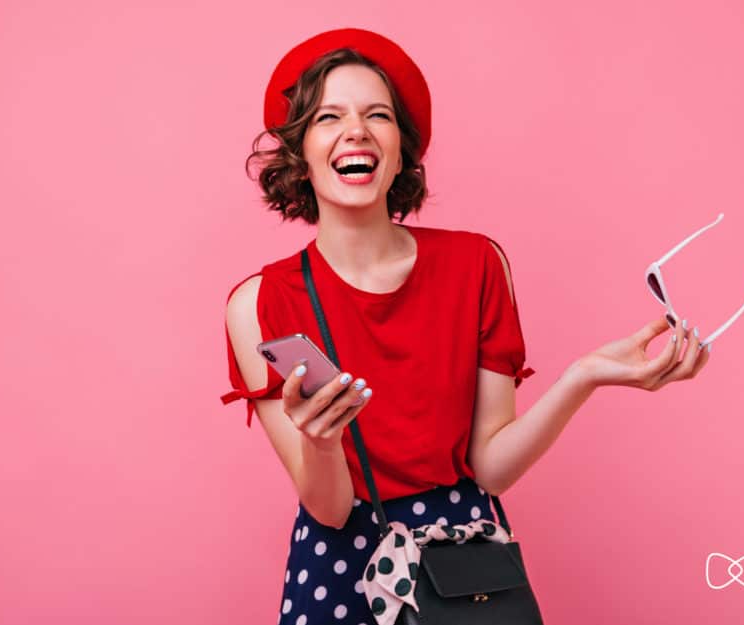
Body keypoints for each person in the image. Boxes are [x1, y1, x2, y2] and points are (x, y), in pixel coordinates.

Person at [220, 28, 711, 625]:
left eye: (378, 115)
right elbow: (328, 509)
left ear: (401, 150)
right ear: (299, 153)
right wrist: (322, 442)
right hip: (338, 572)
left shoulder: (476, 265)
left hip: (466, 567)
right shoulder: (259, 304)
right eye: (329, 117)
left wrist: (584, 377)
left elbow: (492, 467)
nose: (356, 130)